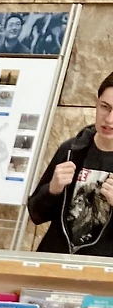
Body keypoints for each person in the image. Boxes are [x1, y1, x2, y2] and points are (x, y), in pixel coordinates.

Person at [27, 73, 113, 256]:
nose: (109, 120)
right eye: (105, 107)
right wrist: (52, 190)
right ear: (97, 103)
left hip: (101, 270)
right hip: (55, 262)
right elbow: (36, 213)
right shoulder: (71, 150)